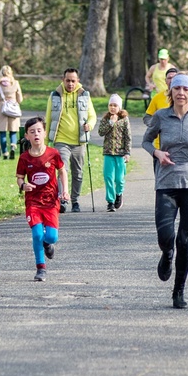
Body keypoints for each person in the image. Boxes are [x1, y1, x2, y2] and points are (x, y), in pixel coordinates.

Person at [142, 74, 188, 309]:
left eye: (185, 89)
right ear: (171, 92)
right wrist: (157, 153)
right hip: (165, 183)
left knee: (185, 240)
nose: (181, 93)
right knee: (166, 236)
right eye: (177, 88)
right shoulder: (161, 116)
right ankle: (166, 254)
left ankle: (178, 291)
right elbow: (145, 141)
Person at [17, 116, 69, 282]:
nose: (36, 134)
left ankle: (48, 245)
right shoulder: (24, 158)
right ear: (27, 136)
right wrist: (23, 185)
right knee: (37, 234)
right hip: (33, 202)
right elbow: (19, 177)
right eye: (32, 132)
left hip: (51, 202)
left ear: (45, 133)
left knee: (52, 237)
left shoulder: (53, 154)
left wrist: (65, 191)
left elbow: (62, 172)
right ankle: (41, 268)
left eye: (39, 131)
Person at [44, 68, 96, 213]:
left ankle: (75, 200)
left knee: (78, 172)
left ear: (78, 81)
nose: (71, 84)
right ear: (63, 80)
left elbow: (92, 115)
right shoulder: (55, 95)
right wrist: (47, 140)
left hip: (79, 141)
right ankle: (63, 199)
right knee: (62, 170)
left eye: (73, 81)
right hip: (61, 140)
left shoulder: (84, 95)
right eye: (68, 80)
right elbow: (48, 118)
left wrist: (89, 125)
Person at [98, 94, 132, 212]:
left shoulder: (124, 119)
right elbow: (101, 132)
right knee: (108, 177)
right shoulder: (105, 119)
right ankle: (110, 201)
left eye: (115, 105)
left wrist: (127, 153)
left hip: (120, 153)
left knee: (119, 178)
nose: (112, 108)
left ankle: (119, 194)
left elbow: (128, 137)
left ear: (119, 107)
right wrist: (110, 123)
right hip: (108, 153)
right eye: (111, 105)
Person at [0, 65, 24, 159]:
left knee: (2, 132)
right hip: (13, 108)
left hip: (2, 108)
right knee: (13, 131)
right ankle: (13, 145)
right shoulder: (15, 83)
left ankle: (5, 153)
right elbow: (20, 99)